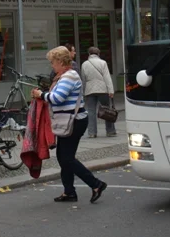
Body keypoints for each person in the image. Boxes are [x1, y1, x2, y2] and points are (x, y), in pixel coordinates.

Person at [31, 46, 107, 204]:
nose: (51, 65)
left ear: (60, 61)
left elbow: (57, 98)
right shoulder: (64, 76)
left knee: (67, 158)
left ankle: (96, 184)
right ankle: (69, 192)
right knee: (63, 157)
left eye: (53, 62)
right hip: (68, 121)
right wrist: (44, 94)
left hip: (74, 121)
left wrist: (41, 95)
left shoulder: (69, 76)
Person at [80, 47, 116, 139]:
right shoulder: (103, 63)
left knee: (91, 111)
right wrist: (111, 90)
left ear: (89, 54)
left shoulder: (84, 64)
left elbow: (83, 79)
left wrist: (83, 92)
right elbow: (107, 77)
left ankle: (92, 132)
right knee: (107, 110)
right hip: (102, 89)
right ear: (98, 54)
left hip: (89, 90)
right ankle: (110, 131)